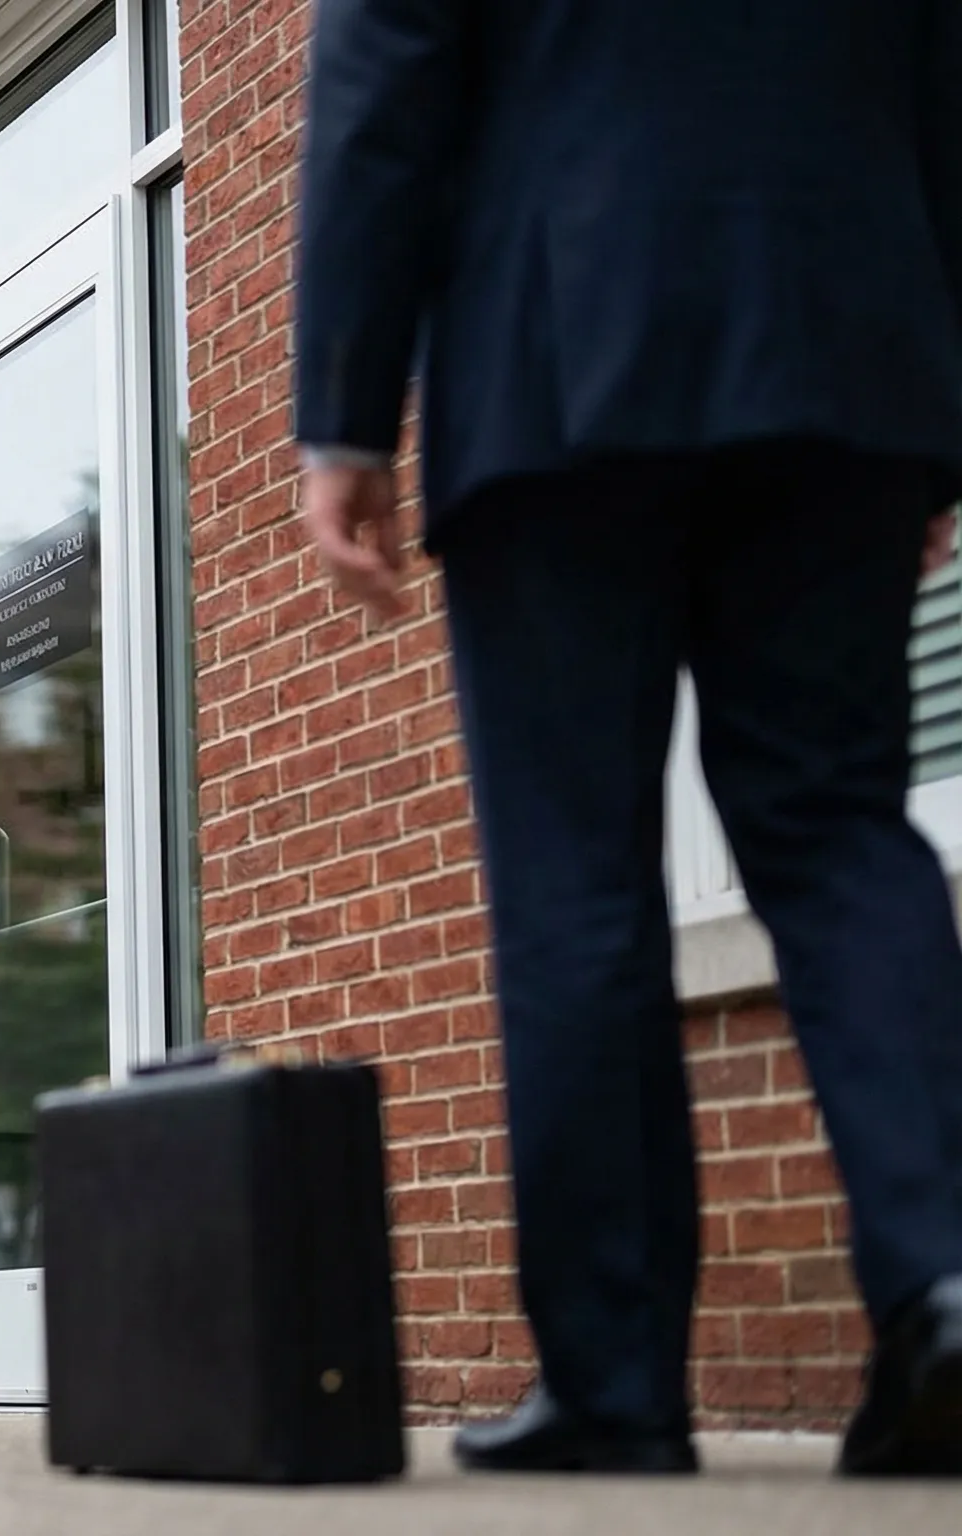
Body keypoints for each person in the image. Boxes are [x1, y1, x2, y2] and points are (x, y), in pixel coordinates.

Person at [291, 0, 962, 1478]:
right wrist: (937, 417)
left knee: (575, 877)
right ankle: (946, 1286)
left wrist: (343, 416)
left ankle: (613, 1381)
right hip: (845, 345)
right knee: (840, 822)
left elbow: (383, 81)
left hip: (560, 350)